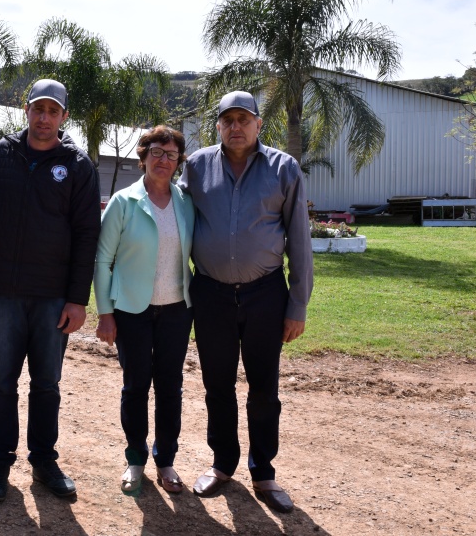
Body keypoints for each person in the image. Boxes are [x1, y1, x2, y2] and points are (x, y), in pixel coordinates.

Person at [179, 91, 313, 513]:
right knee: (217, 385)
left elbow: (301, 241)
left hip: (265, 295)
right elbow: (172, 215)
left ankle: (264, 471)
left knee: (264, 388)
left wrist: (297, 305)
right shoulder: (197, 166)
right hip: (211, 295)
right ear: (217, 125)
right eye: (227, 120)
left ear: (258, 124)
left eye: (244, 119)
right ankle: (222, 464)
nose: (235, 127)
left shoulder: (283, 168)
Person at [0, 79, 101, 502]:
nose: (44, 118)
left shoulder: (78, 165)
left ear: (64, 117)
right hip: (4, 294)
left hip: (53, 296)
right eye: (38, 109)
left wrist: (77, 299)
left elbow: (88, 234)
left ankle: (44, 459)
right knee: (1, 381)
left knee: (46, 383)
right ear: (26, 111)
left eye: (53, 111)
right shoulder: (1, 155)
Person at [93, 126, 195, 495]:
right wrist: (105, 313)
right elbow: (103, 259)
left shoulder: (186, 201)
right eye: (156, 152)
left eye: (171, 155)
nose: (163, 160)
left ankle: (165, 461)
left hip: (176, 311)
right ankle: (135, 460)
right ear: (143, 157)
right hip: (131, 311)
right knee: (136, 386)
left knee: (170, 388)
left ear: (179, 161)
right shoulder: (123, 202)